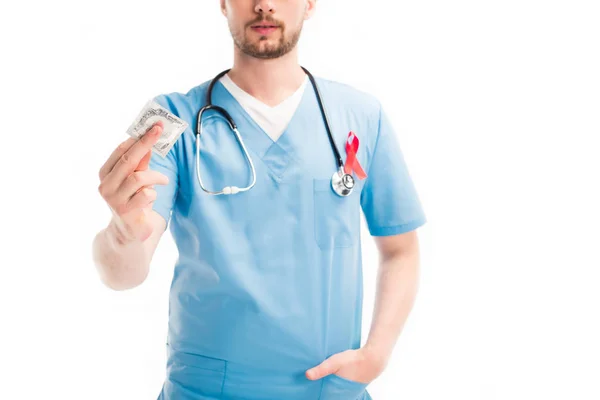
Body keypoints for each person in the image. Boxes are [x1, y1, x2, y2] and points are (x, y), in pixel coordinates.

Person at [92, 1, 427, 399]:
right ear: (222, 4)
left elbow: (401, 249)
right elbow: (122, 274)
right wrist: (122, 230)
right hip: (203, 391)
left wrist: (378, 353)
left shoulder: (361, 115)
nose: (264, 4)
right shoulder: (169, 120)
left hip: (328, 390)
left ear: (309, 4)